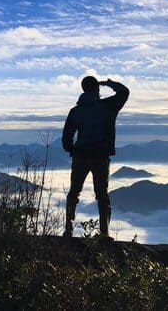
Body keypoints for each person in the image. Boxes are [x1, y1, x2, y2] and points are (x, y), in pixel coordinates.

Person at [61, 76, 129, 238]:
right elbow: (124, 92)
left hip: (81, 156)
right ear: (97, 89)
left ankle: (68, 230)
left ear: (83, 89)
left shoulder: (76, 111)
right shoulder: (108, 106)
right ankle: (104, 233)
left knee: (74, 192)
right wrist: (109, 83)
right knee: (102, 194)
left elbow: (66, 138)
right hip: (100, 156)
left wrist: (72, 150)